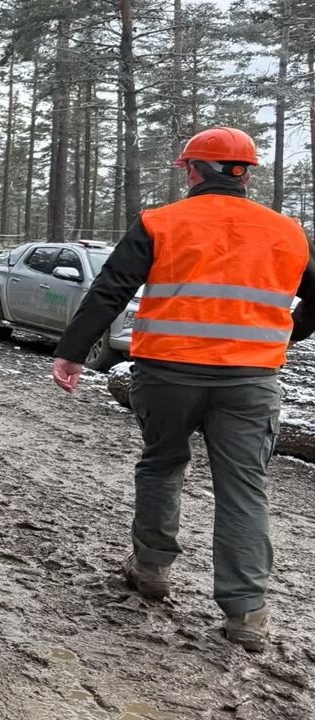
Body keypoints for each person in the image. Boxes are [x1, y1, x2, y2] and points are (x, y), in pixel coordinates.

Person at [51, 127, 315, 652]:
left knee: (162, 464)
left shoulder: (160, 222)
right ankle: (246, 613)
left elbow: (111, 289)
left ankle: (151, 569)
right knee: (244, 488)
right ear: (245, 174)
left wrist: (72, 351)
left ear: (194, 170)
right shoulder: (288, 230)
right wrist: (289, 332)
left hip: (167, 374)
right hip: (250, 380)